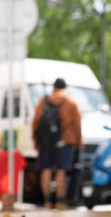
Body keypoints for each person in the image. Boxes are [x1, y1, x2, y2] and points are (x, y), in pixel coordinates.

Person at [31, 78, 82, 209]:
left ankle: (47, 201)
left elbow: (35, 121)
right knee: (61, 171)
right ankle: (60, 201)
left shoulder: (44, 100)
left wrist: (36, 140)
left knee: (46, 170)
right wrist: (78, 143)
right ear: (65, 87)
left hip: (45, 142)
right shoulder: (70, 102)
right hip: (64, 142)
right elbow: (77, 125)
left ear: (54, 87)